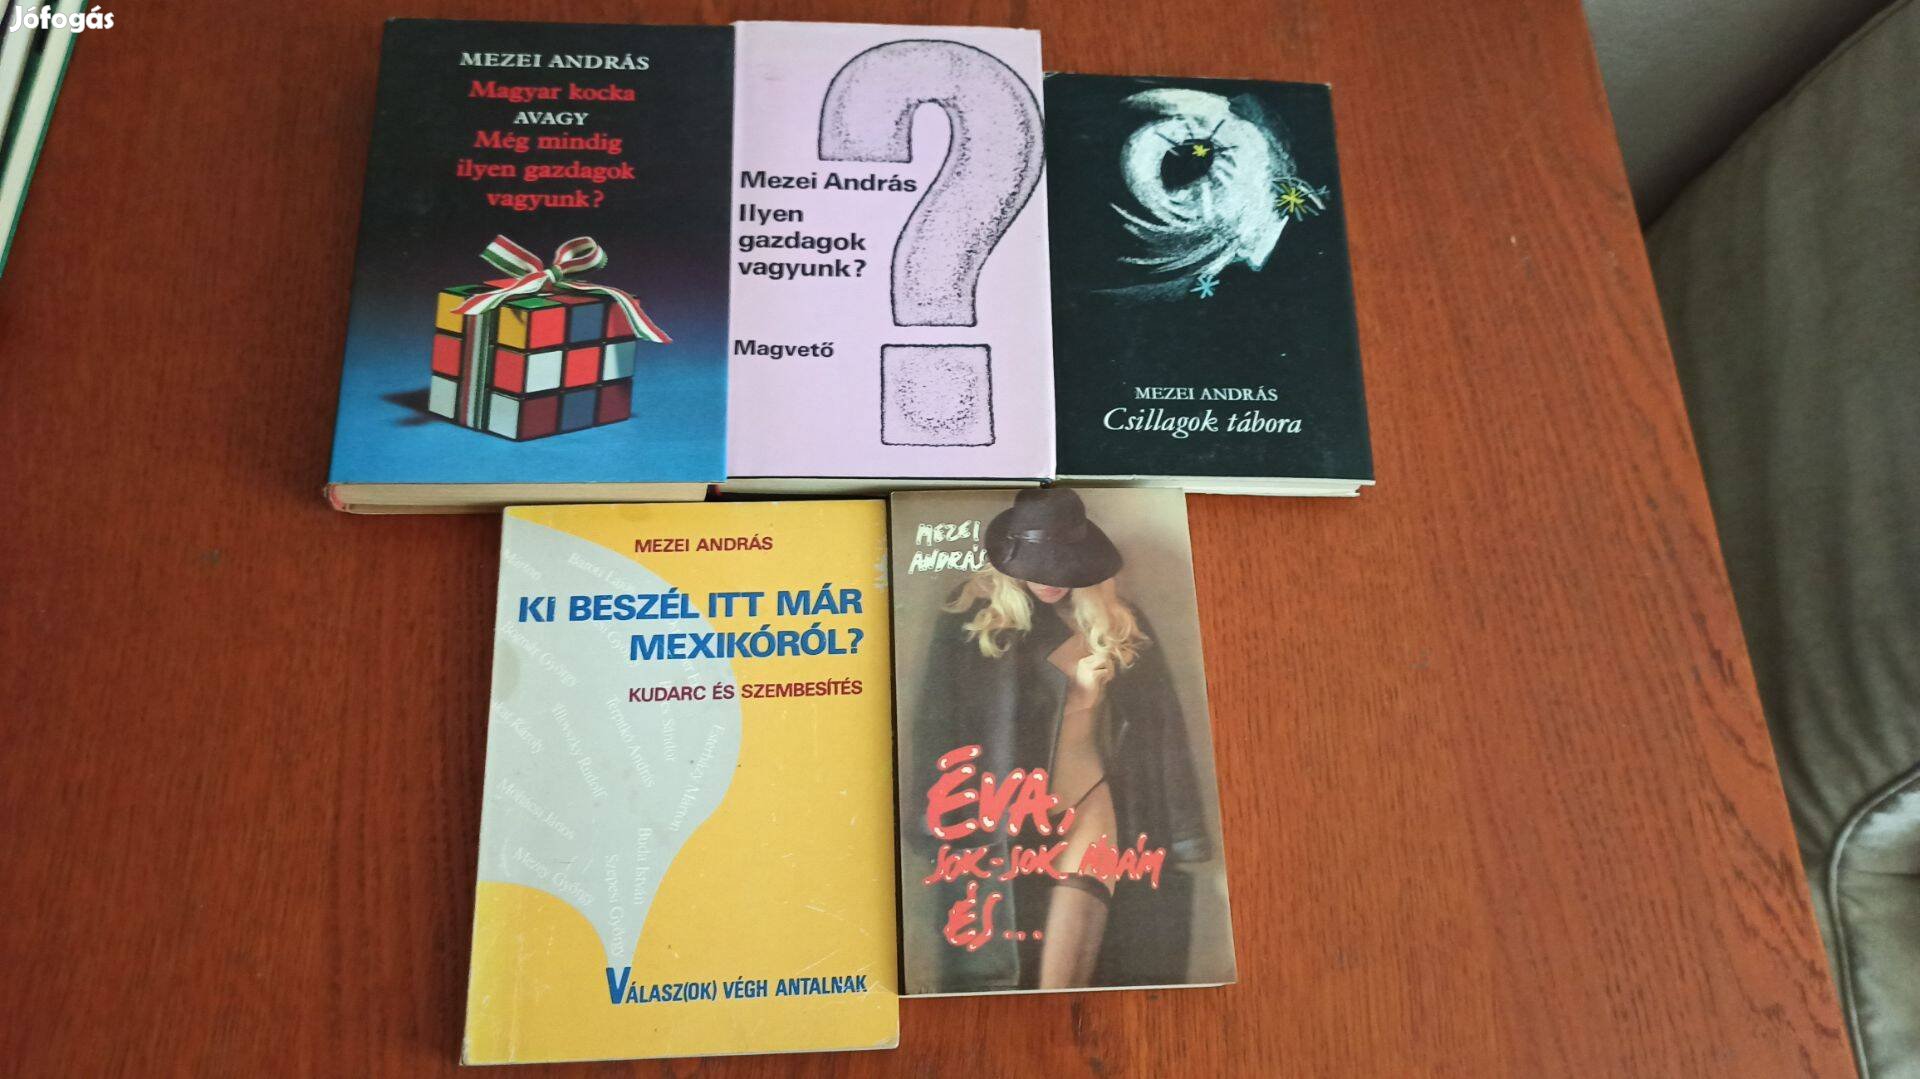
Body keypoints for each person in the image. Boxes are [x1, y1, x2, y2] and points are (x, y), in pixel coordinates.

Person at [909, 488, 1212, 991]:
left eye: (1063, 566)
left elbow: (1162, 730)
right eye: (1038, 566)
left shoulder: (1119, 623)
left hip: (1090, 803)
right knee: (1003, 969)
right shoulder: (973, 619)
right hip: (1003, 811)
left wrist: (1185, 830)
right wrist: (930, 815)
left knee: (1060, 979)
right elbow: (935, 721)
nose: (1050, 580)